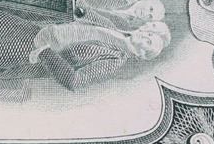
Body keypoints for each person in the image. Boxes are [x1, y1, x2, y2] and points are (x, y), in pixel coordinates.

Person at [29, 16, 171, 89]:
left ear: (141, 55)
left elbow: (75, 81)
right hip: (42, 27)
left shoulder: (115, 61)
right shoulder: (118, 30)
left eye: (148, 42)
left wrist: (45, 53)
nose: (145, 35)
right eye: (150, 34)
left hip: (34, 51)